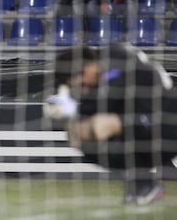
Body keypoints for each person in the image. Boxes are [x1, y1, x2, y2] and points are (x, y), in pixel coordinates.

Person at [43, 43, 177, 205]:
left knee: (103, 124)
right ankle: (143, 183)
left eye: (79, 75)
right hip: (145, 134)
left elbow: (108, 96)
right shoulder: (92, 86)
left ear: (90, 64)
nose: (79, 84)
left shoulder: (116, 56)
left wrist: (71, 105)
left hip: (167, 118)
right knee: (78, 134)